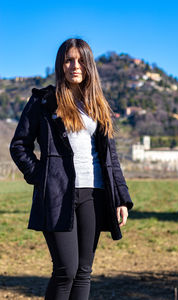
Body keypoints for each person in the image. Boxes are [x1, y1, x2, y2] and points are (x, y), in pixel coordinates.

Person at [10, 38, 133, 300]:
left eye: (80, 61)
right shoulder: (43, 102)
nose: (75, 66)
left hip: (95, 193)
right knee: (66, 270)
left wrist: (121, 197)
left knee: (84, 271)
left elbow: (111, 156)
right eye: (68, 60)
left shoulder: (98, 105)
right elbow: (19, 145)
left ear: (89, 66)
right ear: (60, 65)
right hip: (57, 196)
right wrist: (40, 175)